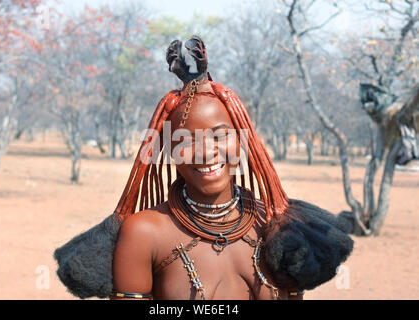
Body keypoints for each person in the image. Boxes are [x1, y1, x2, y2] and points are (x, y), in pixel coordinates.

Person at [53, 36, 353, 301]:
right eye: (187, 141)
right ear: (168, 150)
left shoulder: (277, 227)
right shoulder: (144, 233)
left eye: (221, 135)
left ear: (243, 142)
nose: (206, 152)